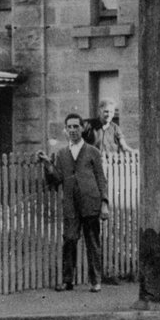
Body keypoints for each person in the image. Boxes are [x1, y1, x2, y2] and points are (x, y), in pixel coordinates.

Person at [37, 113, 110, 292]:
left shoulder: (93, 151)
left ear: (82, 128)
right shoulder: (61, 154)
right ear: (65, 130)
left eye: (76, 126)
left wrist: (104, 203)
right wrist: (48, 165)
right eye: (69, 127)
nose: (72, 130)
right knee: (69, 240)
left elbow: (101, 179)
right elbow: (57, 179)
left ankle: (96, 281)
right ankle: (67, 280)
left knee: (92, 242)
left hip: (91, 203)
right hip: (71, 204)